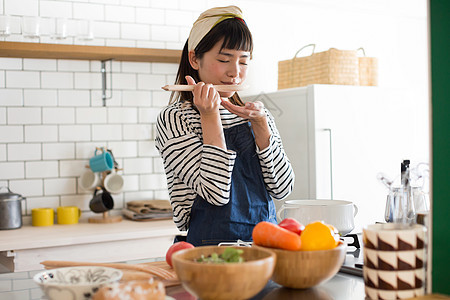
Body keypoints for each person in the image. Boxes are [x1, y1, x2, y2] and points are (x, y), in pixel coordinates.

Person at [155, 6, 294, 246]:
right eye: (224, 59)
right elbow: (215, 193)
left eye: (244, 61)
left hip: (267, 248)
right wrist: (209, 117)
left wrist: (261, 127)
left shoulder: (258, 115)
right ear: (194, 58)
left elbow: (283, 188)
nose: (235, 72)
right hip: (208, 252)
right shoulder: (175, 119)